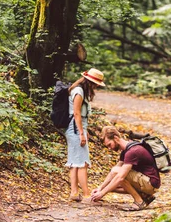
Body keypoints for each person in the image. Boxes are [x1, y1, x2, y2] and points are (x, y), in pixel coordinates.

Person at [90, 126, 160, 210]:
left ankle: (139, 201)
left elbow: (120, 176)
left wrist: (102, 194)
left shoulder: (132, 151)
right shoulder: (126, 149)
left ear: (116, 138)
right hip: (145, 182)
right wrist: (100, 189)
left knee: (118, 175)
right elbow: (113, 171)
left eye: (109, 144)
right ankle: (146, 196)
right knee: (113, 180)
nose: (110, 148)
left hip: (150, 183)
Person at [65, 68, 106, 203]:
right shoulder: (79, 91)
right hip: (75, 128)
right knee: (82, 162)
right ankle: (87, 195)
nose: (95, 87)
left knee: (75, 162)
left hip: (76, 127)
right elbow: (76, 113)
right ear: (90, 82)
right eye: (95, 84)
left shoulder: (80, 90)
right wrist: (81, 133)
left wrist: (84, 129)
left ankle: (74, 193)